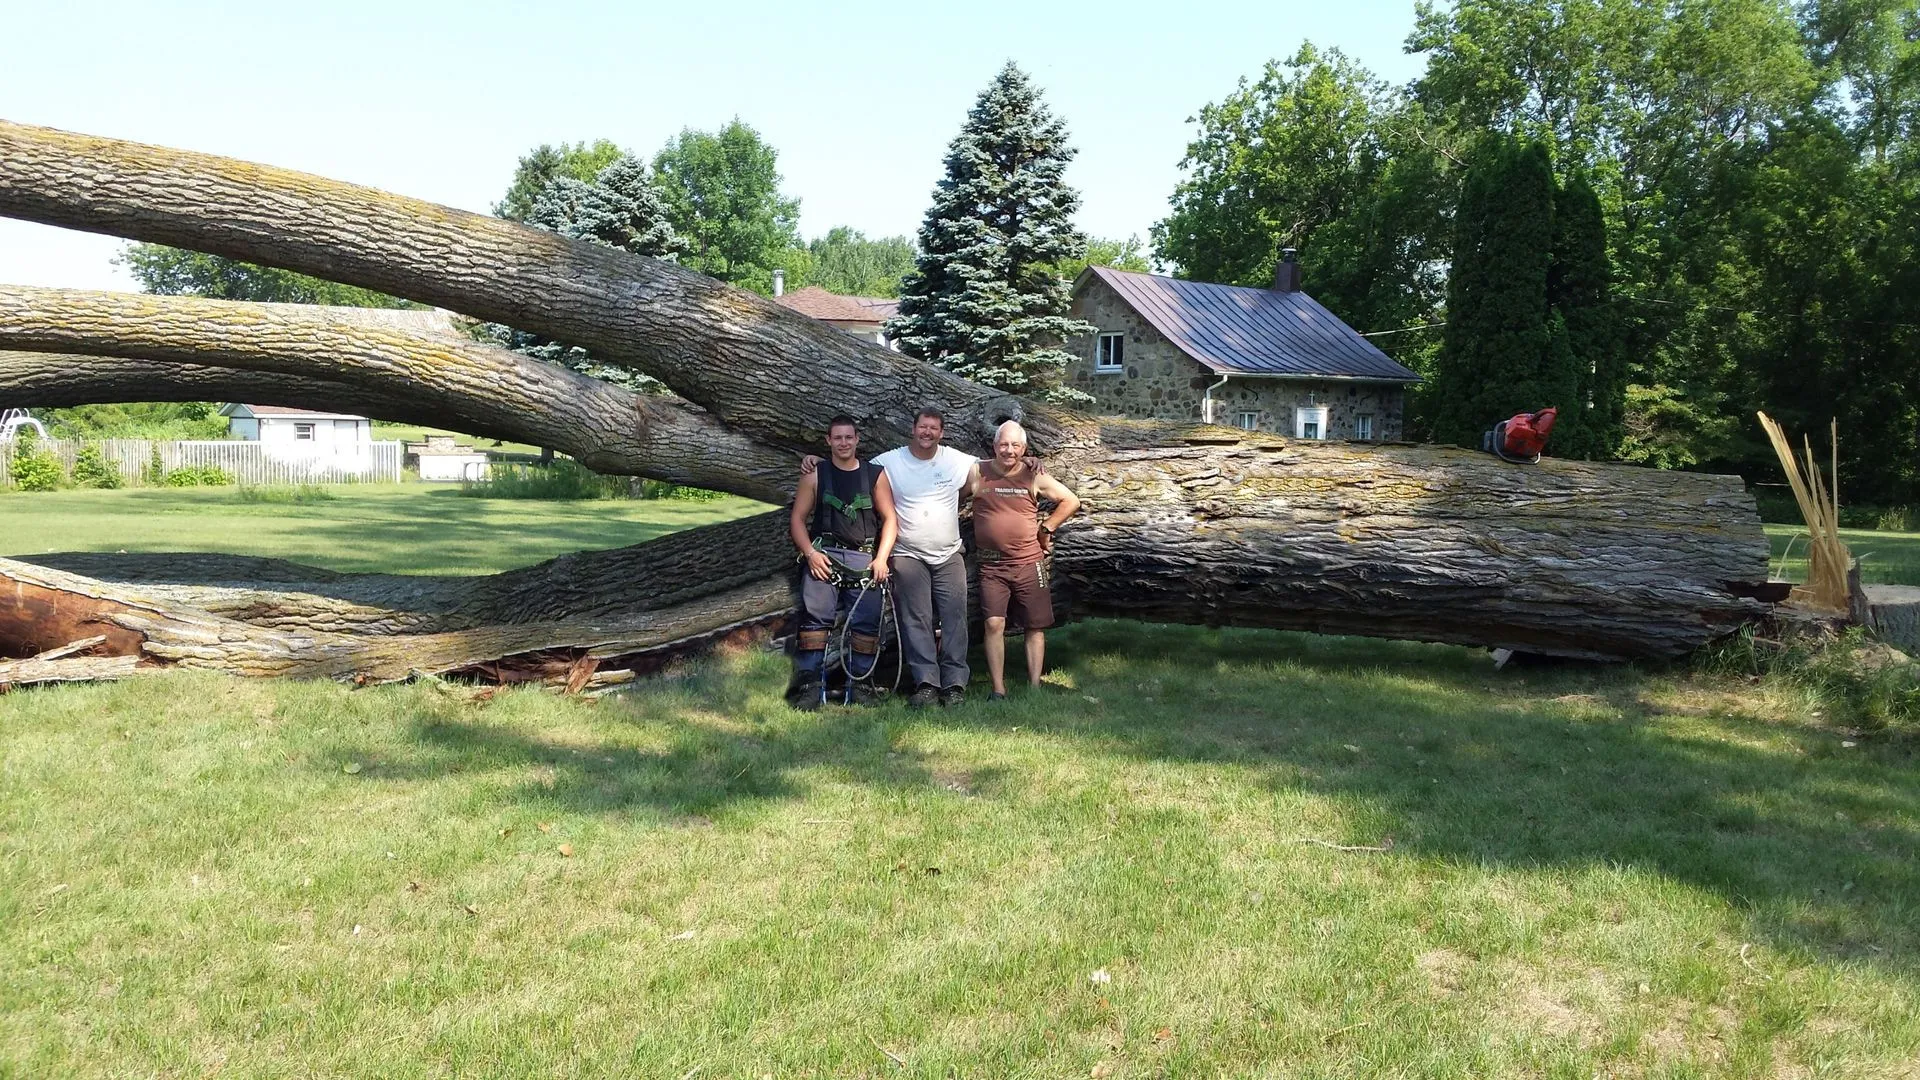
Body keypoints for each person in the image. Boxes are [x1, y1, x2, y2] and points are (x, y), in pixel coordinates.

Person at [870, 408, 978, 707]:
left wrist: (1029, 461)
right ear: (913, 429)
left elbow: (992, 469)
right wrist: (815, 463)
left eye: (933, 428)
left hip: (948, 552)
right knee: (915, 618)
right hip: (907, 553)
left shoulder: (954, 459)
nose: (927, 432)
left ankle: (954, 684)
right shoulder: (890, 461)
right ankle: (926, 683)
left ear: (941, 433)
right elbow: (850, 468)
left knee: (955, 616)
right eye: (922, 427)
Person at [787, 414, 896, 709]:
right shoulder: (815, 474)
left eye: (849, 437)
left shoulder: (875, 475)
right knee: (814, 623)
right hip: (824, 555)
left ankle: (860, 687)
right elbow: (797, 519)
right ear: (829, 441)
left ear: (857, 440)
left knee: (866, 624)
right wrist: (810, 553)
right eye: (838, 438)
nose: (844, 443)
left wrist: (882, 558)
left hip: (864, 557)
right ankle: (810, 689)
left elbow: (890, 520)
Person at [972, 420, 1080, 698]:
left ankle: (1034, 687)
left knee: (1035, 625)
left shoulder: (1034, 475)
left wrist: (1047, 528)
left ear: (1024, 448)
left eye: (1015, 446)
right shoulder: (976, 471)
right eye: (1004, 445)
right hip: (992, 565)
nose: (1009, 450)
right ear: (995, 446)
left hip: (1028, 562)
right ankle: (998, 689)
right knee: (994, 623)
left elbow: (1071, 501)